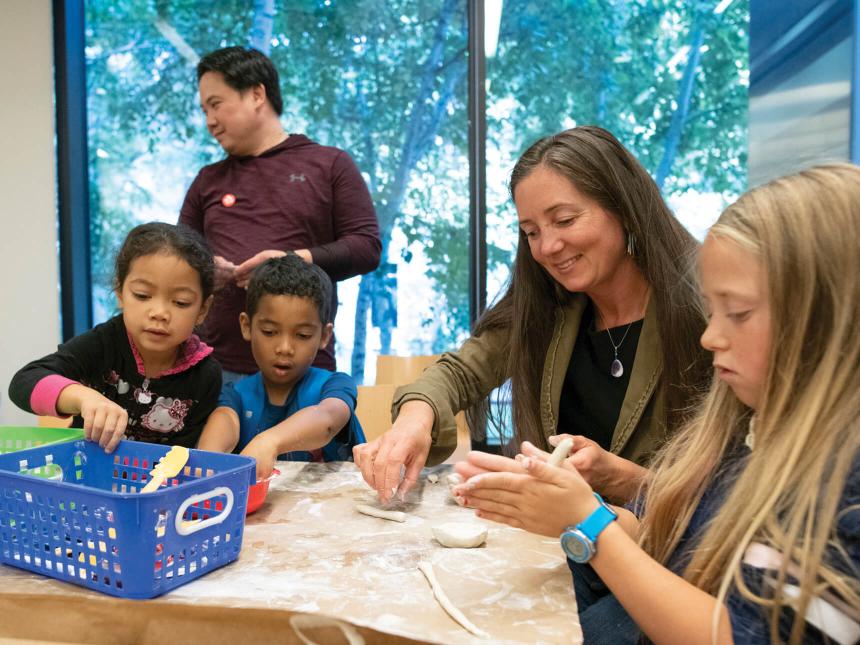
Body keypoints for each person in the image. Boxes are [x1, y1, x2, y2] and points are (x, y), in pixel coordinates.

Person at [453, 164, 860, 644]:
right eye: (712, 312)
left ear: (833, 318)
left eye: (739, 313)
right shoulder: (740, 432)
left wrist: (589, 524)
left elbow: (736, 634)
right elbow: (658, 534)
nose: (710, 336)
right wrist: (571, 505)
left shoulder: (842, 486)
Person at [355, 126, 710, 503]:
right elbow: (459, 372)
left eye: (565, 220)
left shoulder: (706, 313)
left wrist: (622, 478)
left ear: (622, 207)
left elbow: (732, 493)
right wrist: (414, 419)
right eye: (531, 232)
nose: (549, 247)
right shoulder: (548, 308)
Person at [179, 46, 381, 379]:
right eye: (204, 110)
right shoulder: (207, 180)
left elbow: (366, 247)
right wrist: (202, 271)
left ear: (257, 94)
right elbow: (178, 257)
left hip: (306, 372)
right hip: (215, 371)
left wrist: (292, 260)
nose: (209, 122)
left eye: (216, 105)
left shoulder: (329, 165)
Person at [9, 223, 221, 451]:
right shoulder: (102, 344)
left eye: (181, 302)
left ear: (202, 309)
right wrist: (84, 398)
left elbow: (183, 456)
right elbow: (23, 383)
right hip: (84, 475)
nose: (159, 313)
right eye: (142, 295)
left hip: (156, 483)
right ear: (120, 293)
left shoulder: (205, 376)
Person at [197, 254, 365, 480]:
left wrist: (269, 441)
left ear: (324, 336)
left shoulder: (334, 386)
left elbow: (327, 420)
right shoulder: (235, 395)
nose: (285, 348)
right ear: (246, 326)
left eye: (303, 335)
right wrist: (205, 463)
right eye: (269, 332)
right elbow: (220, 429)